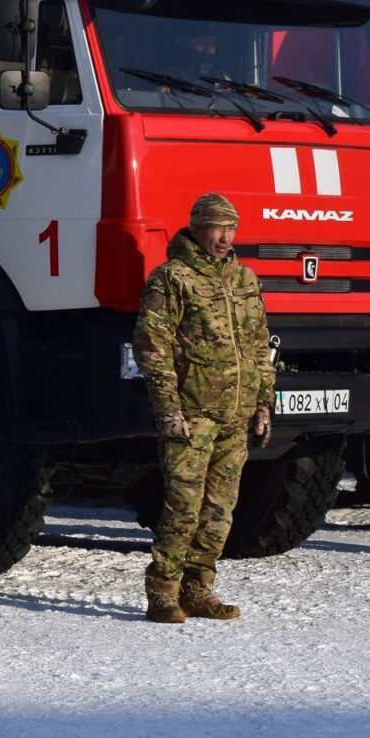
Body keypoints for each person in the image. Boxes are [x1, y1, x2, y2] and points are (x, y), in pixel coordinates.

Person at [131, 192, 275, 624]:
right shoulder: (172, 279)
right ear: (196, 228)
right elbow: (152, 347)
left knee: (219, 510)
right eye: (217, 227)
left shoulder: (245, 280)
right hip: (191, 416)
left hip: (237, 414)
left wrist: (264, 403)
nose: (225, 237)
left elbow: (259, 344)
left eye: (231, 228)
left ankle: (198, 587)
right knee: (184, 506)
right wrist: (169, 409)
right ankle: (162, 590)